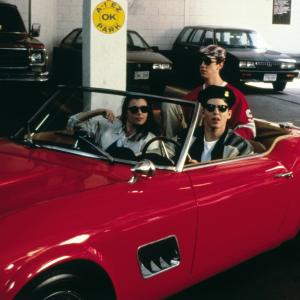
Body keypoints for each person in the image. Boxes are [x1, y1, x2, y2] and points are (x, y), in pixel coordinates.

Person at [162, 44, 255, 140]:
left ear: (220, 64)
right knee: (168, 105)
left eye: (207, 61)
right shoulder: (195, 93)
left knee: (204, 107)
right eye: (201, 61)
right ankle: (171, 146)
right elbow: (173, 113)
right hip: (191, 143)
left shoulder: (235, 95)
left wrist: (226, 140)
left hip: (220, 146)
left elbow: (249, 128)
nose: (202, 65)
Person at [67, 95, 158, 156]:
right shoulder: (109, 125)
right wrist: (98, 111)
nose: (140, 113)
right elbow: (72, 123)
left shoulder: (150, 140)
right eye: (134, 109)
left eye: (144, 109)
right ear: (126, 113)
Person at [186, 85, 253, 163]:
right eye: (210, 107)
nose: (216, 112)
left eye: (222, 108)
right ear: (203, 112)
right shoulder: (185, 138)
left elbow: (244, 174)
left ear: (229, 114)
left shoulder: (241, 146)